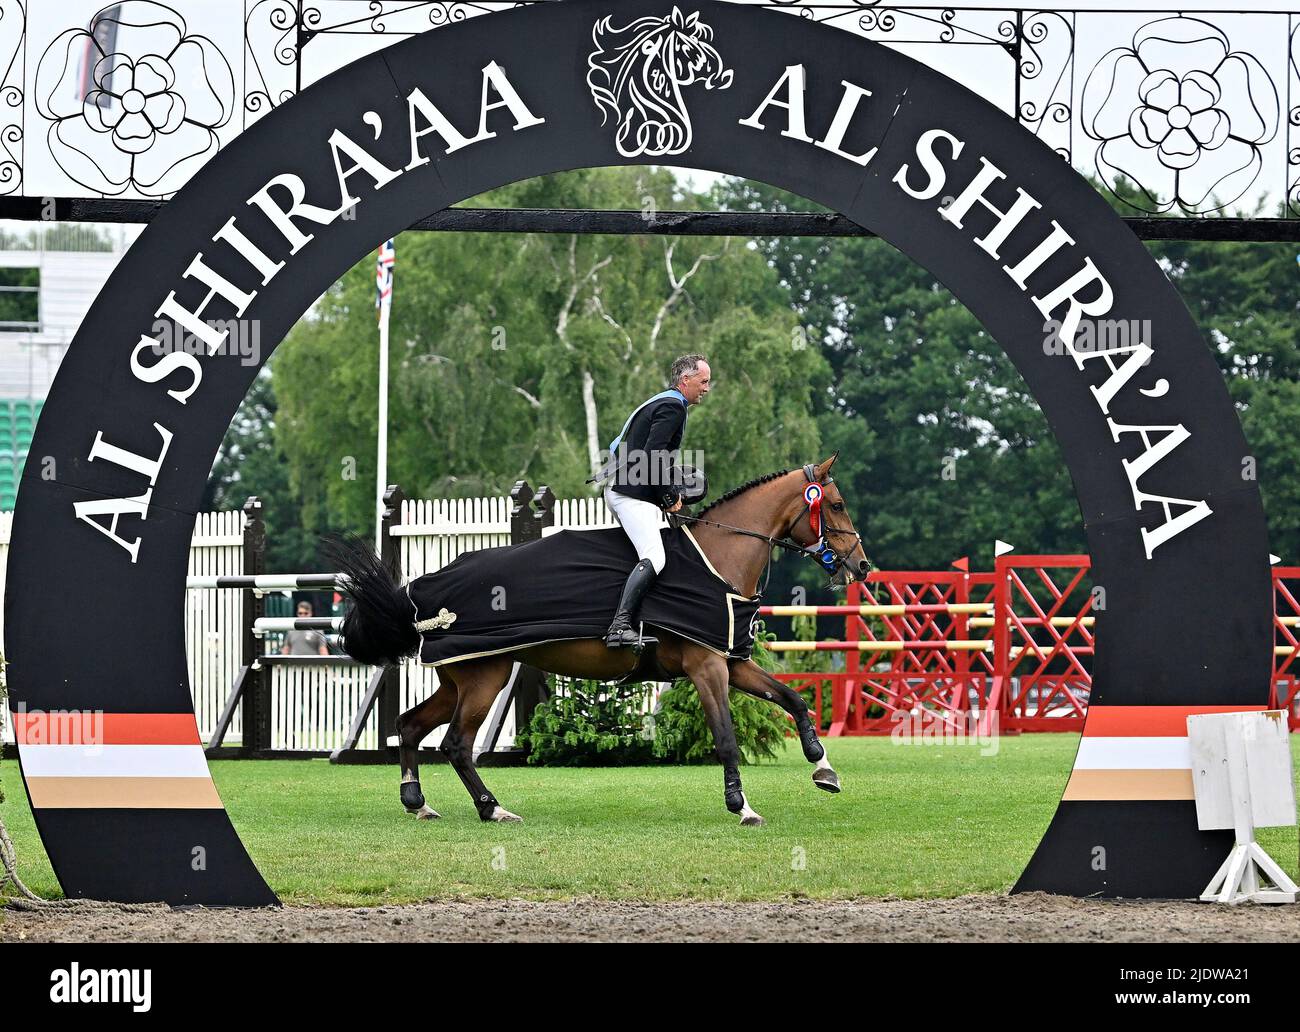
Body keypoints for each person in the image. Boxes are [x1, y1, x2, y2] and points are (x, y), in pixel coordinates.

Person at [588, 354, 711, 647]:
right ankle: (619, 627)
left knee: (652, 553)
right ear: (686, 380)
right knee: (655, 557)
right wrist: (668, 496)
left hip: (628, 490)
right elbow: (653, 455)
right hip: (631, 495)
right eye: (703, 381)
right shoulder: (672, 407)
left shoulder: (664, 402)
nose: (707, 387)